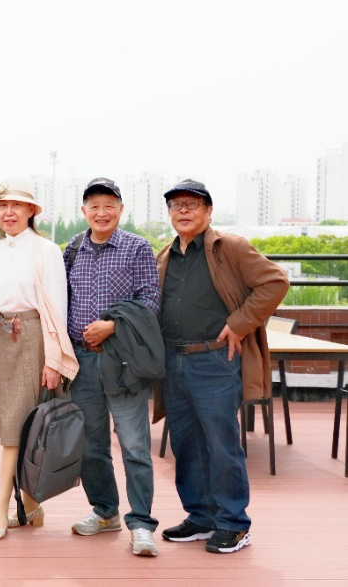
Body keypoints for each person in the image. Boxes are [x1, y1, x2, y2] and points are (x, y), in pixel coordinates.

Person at [155, 179, 288, 554]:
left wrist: (240, 323)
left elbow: (275, 282)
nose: (183, 210)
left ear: (209, 211)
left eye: (192, 204)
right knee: (186, 445)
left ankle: (233, 523)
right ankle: (200, 517)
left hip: (215, 360)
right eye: (176, 205)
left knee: (221, 445)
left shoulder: (230, 247)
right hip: (173, 361)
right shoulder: (165, 254)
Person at [0, 178, 78, 542]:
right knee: (16, 425)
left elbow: (57, 309)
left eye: (16, 206)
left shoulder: (45, 251)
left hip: (33, 338)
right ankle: (31, 506)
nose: (8, 212)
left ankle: (0, 506)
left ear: (31, 211)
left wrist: (53, 361)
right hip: (0, 338)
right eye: (2, 206)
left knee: (17, 426)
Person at [62, 178, 163, 556]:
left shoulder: (137, 248)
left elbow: (150, 301)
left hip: (122, 360)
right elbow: (59, 301)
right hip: (81, 360)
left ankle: (142, 524)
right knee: (90, 445)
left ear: (120, 210)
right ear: (84, 211)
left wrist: (112, 325)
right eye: (94, 206)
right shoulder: (72, 249)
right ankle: (105, 512)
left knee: (134, 444)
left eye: (109, 205)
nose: (101, 213)